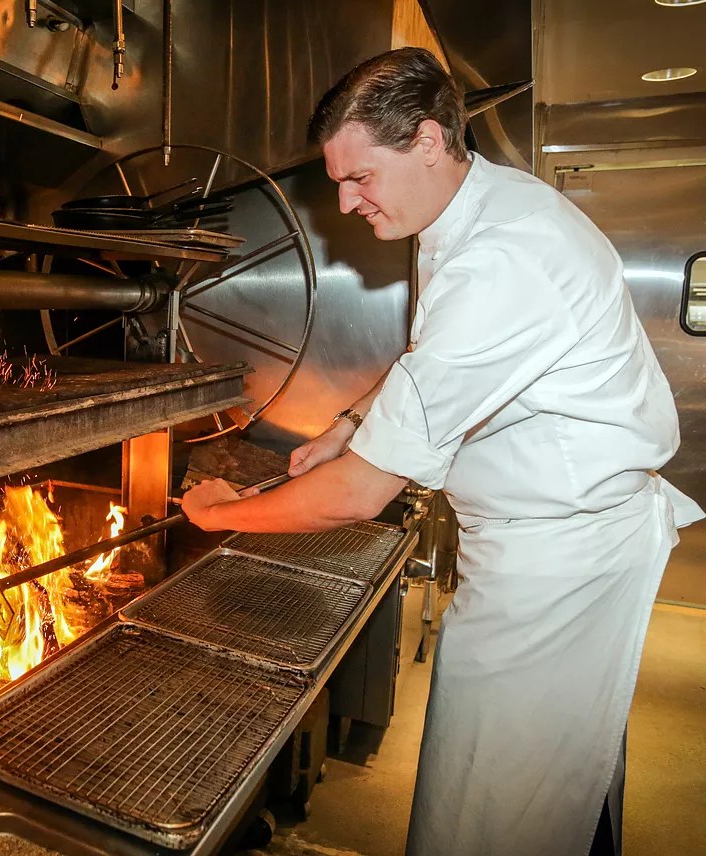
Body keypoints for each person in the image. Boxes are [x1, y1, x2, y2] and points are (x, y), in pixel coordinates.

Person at [181, 47, 703, 856]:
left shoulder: (506, 256)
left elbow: (360, 497)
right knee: (558, 779)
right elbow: (431, 355)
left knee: (504, 809)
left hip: (559, 564)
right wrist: (350, 423)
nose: (348, 203)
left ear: (428, 141)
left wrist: (222, 517)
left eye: (361, 179)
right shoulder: (468, 208)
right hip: (537, 545)